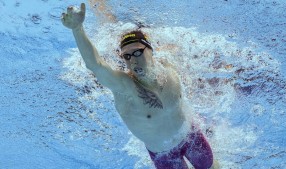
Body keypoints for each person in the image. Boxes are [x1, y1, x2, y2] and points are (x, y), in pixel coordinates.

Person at [61, 3, 218, 169]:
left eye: (137, 52)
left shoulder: (169, 65)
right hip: (164, 154)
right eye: (127, 56)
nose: (133, 60)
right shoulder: (125, 87)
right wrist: (77, 29)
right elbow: (96, 65)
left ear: (151, 50)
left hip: (191, 136)